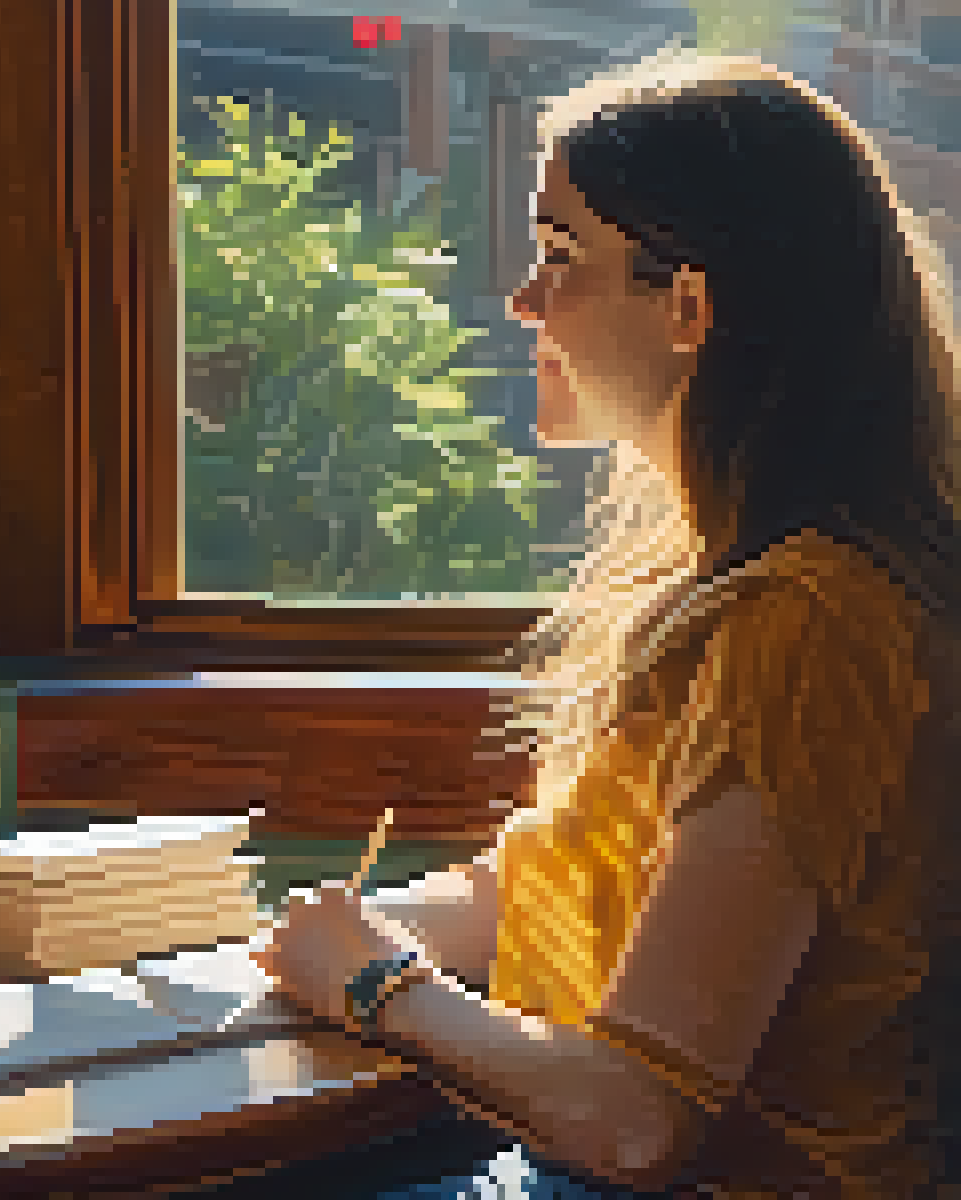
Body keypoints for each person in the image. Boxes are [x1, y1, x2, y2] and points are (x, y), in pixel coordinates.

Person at [257, 50, 961, 1199]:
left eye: (559, 256)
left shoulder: (807, 626)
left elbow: (636, 1124)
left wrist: (379, 986)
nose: (525, 303)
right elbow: (529, 890)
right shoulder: (722, 583)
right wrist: (320, 938)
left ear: (688, 306)